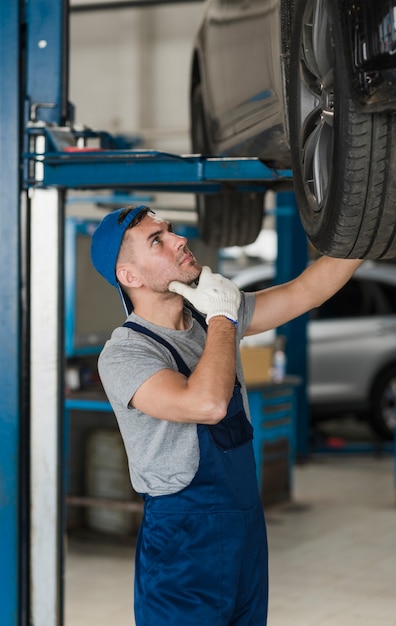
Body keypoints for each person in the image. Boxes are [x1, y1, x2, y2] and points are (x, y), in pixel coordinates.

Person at [90, 204, 363, 626]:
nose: (179, 240)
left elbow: (307, 291)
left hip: (245, 527)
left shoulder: (211, 319)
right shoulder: (126, 353)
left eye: (170, 230)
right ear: (130, 277)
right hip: (182, 542)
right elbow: (206, 405)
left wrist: (370, 221)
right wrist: (222, 316)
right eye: (156, 240)